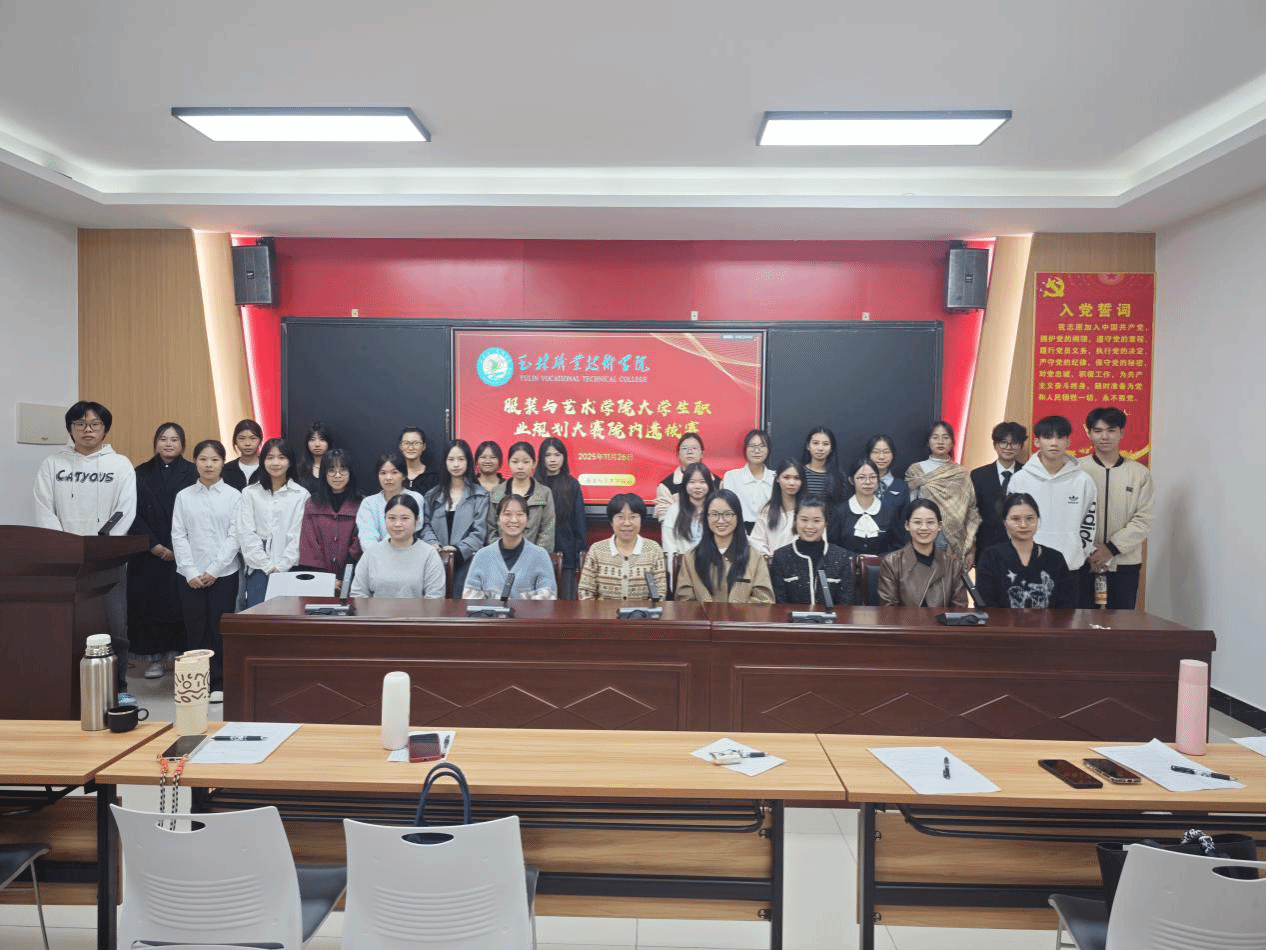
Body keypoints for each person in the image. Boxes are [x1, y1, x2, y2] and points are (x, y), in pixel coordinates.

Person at [33, 400, 137, 702]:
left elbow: (125, 510)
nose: (87, 430)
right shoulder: (53, 464)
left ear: (105, 429)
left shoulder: (120, 465)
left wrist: (103, 547)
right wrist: (64, 547)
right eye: (80, 424)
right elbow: (44, 508)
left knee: (115, 626)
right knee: (67, 625)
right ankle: (65, 689)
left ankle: (119, 688)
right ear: (70, 429)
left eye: (94, 424)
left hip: (108, 559)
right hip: (64, 561)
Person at [171, 439, 241, 706]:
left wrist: (214, 570)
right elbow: (179, 535)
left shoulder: (234, 496)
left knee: (219, 628)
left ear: (223, 463)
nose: (208, 464)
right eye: (203, 459)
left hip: (224, 574)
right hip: (189, 575)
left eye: (214, 459)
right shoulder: (184, 496)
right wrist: (190, 571)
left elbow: (235, 536)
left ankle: (219, 682)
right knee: (195, 629)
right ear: (195, 462)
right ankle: (196, 683)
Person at [128, 422, 197, 680]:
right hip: (148, 554)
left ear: (182, 444)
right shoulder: (139, 473)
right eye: (163, 439)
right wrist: (154, 545)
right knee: (150, 606)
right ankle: (154, 659)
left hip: (184, 552)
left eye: (174, 439)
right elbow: (131, 511)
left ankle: (179, 656)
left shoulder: (193, 472)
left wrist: (177, 547)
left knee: (180, 606)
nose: (168, 444)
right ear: (156, 442)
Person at [1078, 407, 1155, 609]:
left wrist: (1111, 549)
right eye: (1098, 431)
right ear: (1089, 433)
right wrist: (1088, 551)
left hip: (1124, 563)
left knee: (1121, 622)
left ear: (1122, 432)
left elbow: (1144, 519)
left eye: (1111, 430)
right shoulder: (1076, 470)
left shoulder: (1139, 473)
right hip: (1083, 562)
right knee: (1081, 622)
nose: (1104, 437)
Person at [1007, 415, 1098, 573]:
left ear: (1067, 442)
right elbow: (1010, 522)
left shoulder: (1083, 481)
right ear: (1037, 442)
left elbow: (1089, 523)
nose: (1054, 443)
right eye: (1048, 437)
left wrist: (1079, 554)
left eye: (1060, 437)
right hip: (1028, 565)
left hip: (1070, 567)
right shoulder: (1019, 479)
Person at [236, 438, 309, 607]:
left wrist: (281, 566)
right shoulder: (249, 493)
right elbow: (246, 533)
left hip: (290, 568)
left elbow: (298, 536)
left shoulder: (301, 495)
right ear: (262, 461)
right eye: (270, 458)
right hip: (257, 569)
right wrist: (267, 566)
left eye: (281, 457)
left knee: (287, 616)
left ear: (290, 461)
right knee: (258, 616)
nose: (275, 463)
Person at [975, 493, 1074, 609]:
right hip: (1001, 621)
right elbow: (984, 603)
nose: (1023, 525)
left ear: (1038, 519)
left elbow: (1067, 606)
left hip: (1048, 621)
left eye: (1029, 518)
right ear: (1004, 522)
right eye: (1015, 519)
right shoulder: (991, 557)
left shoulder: (1055, 559)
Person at [675, 489, 774, 604]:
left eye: (728, 514)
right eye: (714, 514)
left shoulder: (755, 557)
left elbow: (765, 600)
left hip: (741, 616)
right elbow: (684, 601)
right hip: (703, 616)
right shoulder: (691, 557)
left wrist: (734, 610)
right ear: (706, 517)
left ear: (738, 516)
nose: (721, 520)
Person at [903, 421, 980, 564]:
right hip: (924, 532)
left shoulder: (962, 473)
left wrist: (972, 546)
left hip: (955, 538)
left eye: (945, 438)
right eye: (935, 437)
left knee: (950, 577)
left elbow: (971, 509)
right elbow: (910, 506)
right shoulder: (916, 471)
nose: (940, 442)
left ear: (952, 443)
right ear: (928, 443)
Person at [420, 439, 489, 594]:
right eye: (451, 459)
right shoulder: (432, 495)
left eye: (461, 459)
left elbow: (479, 532)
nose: (456, 464)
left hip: (468, 562)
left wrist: (458, 550)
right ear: (445, 462)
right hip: (435, 559)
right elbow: (425, 525)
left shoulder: (480, 495)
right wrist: (433, 544)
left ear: (468, 462)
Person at [463, 494, 558, 600]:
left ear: (527, 519)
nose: (513, 520)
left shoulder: (540, 555)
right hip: (490, 613)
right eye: (507, 514)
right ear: (498, 519)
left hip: (528, 613)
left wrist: (498, 600)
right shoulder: (481, 556)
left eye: (520, 514)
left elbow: (548, 596)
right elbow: (469, 596)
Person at [349, 494, 445, 598]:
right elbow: (358, 594)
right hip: (376, 609)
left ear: (417, 520)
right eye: (392, 518)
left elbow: (435, 597)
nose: (397, 524)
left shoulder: (429, 554)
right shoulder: (371, 553)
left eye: (405, 518)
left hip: (418, 609)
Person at [878, 499, 968, 608]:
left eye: (930, 522)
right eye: (917, 522)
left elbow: (959, 609)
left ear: (939, 526)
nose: (924, 528)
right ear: (907, 525)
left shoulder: (953, 564)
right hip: (905, 620)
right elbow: (889, 609)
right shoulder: (892, 563)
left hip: (943, 620)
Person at [577, 493, 668, 601]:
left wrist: (641, 611)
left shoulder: (653, 549)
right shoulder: (597, 550)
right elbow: (585, 592)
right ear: (611, 521)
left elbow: (660, 593)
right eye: (620, 517)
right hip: (603, 612)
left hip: (643, 612)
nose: (627, 523)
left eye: (633, 517)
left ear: (641, 520)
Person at [298, 448, 363, 593]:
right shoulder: (312, 503)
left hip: (353, 579)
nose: (337, 475)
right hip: (317, 580)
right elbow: (310, 545)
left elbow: (357, 546)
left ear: (350, 473)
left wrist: (345, 578)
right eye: (331, 470)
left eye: (343, 470)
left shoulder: (361, 503)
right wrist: (326, 579)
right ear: (324, 473)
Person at [770, 498, 853, 607]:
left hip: (832, 618)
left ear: (826, 523)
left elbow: (845, 602)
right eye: (804, 520)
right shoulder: (781, 556)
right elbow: (780, 602)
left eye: (816, 521)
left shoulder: (841, 556)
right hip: (791, 617)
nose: (809, 526)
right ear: (795, 521)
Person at [536, 437, 587, 598]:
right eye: (548, 455)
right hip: (537, 552)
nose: (552, 459)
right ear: (541, 458)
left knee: (566, 603)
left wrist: (578, 555)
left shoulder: (572, 485)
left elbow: (579, 523)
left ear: (564, 457)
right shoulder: (534, 484)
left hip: (566, 555)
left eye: (557, 455)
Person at [486, 441, 556, 551]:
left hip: (534, 556)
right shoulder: (497, 492)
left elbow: (547, 531)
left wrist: (535, 556)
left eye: (526, 462)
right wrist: (500, 553)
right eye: (515, 462)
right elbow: (491, 529)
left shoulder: (545, 493)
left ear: (534, 463)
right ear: (508, 463)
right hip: (501, 554)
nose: (520, 467)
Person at [970, 421, 1027, 555]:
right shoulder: (978, 475)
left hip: (1021, 546)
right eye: (1003, 442)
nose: (1008, 447)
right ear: (995, 445)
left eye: (1014, 443)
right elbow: (972, 513)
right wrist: (971, 547)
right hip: (986, 546)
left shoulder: (1028, 474)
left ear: (1021, 446)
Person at [829, 457, 903, 555]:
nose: (868, 482)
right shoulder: (839, 512)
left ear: (878, 480)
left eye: (872, 477)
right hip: (846, 564)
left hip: (883, 564)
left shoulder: (890, 511)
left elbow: (898, 546)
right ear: (851, 480)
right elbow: (832, 546)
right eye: (861, 477)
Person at [355, 452, 426, 550]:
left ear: (404, 475)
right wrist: (377, 555)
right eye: (383, 473)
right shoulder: (368, 503)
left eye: (394, 472)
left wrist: (386, 553)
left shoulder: (415, 498)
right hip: (373, 556)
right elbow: (367, 537)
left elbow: (407, 531)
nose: (388, 478)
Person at [660, 461, 713, 566]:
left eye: (702, 482)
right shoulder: (674, 511)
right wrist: (677, 571)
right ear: (685, 485)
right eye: (692, 482)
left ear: (709, 485)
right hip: (683, 569)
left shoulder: (717, 509)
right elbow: (669, 548)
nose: (697, 486)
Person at [721, 428, 774, 532]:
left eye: (762, 446)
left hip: (769, 532)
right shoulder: (732, 476)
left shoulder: (776, 478)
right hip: (739, 532)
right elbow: (728, 509)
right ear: (745, 448)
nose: (757, 451)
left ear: (768, 449)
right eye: (752, 446)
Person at [750, 459, 803, 557]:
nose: (792, 483)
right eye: (786, 477)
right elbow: (757, 541)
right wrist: (770, 559)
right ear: (778, 478)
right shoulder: (766, 510)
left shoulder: (809, 510)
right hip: (771, 562)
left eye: (796, 478)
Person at [654, 432, 713, 520]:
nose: (690, 452)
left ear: (702, 454)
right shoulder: (666, 486)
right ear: (678, 454)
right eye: (685, 448)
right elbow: (665, 518)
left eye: (694, 448)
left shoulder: (716, 482)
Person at [800, 426, 844, 503]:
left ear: (831, 448)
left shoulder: (838, 476)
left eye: (825, 444)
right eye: (815, 443)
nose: (820, 448)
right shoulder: (799, 472)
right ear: (808, 446)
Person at [866, 433, 909, 512]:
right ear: (869, 455)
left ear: (893, 455)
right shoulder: (859, 483)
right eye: (876, 452)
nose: (881, 457)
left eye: (886, 452)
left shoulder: (902, 486)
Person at [222, 419, 263, 491]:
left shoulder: (268, 468)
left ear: (260, 440)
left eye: (253, 438)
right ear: (235, 441)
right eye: (242, 438)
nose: (247, 443)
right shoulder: (225, 470)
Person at [399, 426, 440, 494]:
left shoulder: (434, 476)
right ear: (400, 446)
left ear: (424, 446)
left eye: (416, 443)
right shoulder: (395, 474)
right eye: (406, 443)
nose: (411, 448)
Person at [297, 420, 331, 492]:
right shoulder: (299, 470)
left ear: (328, 442)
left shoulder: (336, 469)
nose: (317, 444)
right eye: (312, 439)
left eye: (322, 439)